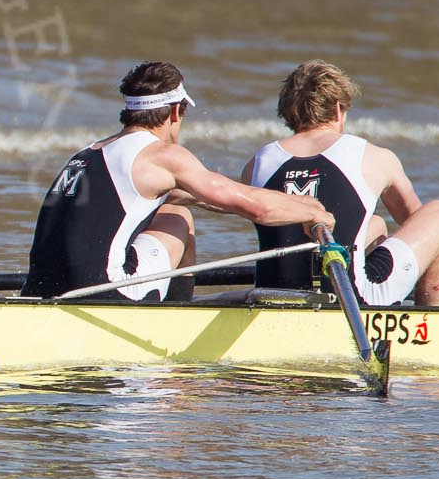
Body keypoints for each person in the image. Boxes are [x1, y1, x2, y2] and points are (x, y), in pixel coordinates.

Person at [22, 61, 334, 301]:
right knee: (178, 218)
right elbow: (256, 209)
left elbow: (203, 197)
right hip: (101, 296)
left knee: (172, 206)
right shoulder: (162, 155)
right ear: (174, 111)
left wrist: (297, 203)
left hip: (39, 290)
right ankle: (176, 315)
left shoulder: (90, 152)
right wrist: (314, 212)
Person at [243, 60, 439, 307]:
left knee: (376, 225)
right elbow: (416, 219)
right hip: (351, 299)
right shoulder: (373, 156)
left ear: (287, 112)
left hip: (271, 297)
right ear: (338, 110)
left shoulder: (257, 163)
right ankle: (428, 324)